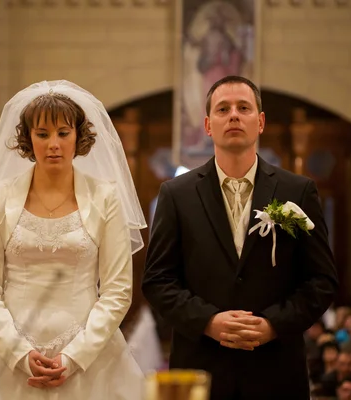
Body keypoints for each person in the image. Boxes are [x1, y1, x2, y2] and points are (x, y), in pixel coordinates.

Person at [0, 80, 147, 399]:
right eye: (43, 134)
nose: (54, 144)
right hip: (7, 349)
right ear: (27, 138)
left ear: (78, 137)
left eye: (63, 133)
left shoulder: (105, 198)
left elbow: (117, 291)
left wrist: (74, 357)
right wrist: (18, 352)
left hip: (90, 354)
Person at [142, 75, 338, 399]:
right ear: (208, 125)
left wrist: (273, 324)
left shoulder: (297, 192)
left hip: (276, 371)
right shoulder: (177, 194)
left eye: (243, 107)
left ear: (260, 122)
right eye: (223, 109)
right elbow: (157, 281)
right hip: (201, 369)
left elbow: (322, 281)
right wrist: (209, 321)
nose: (233, 115)